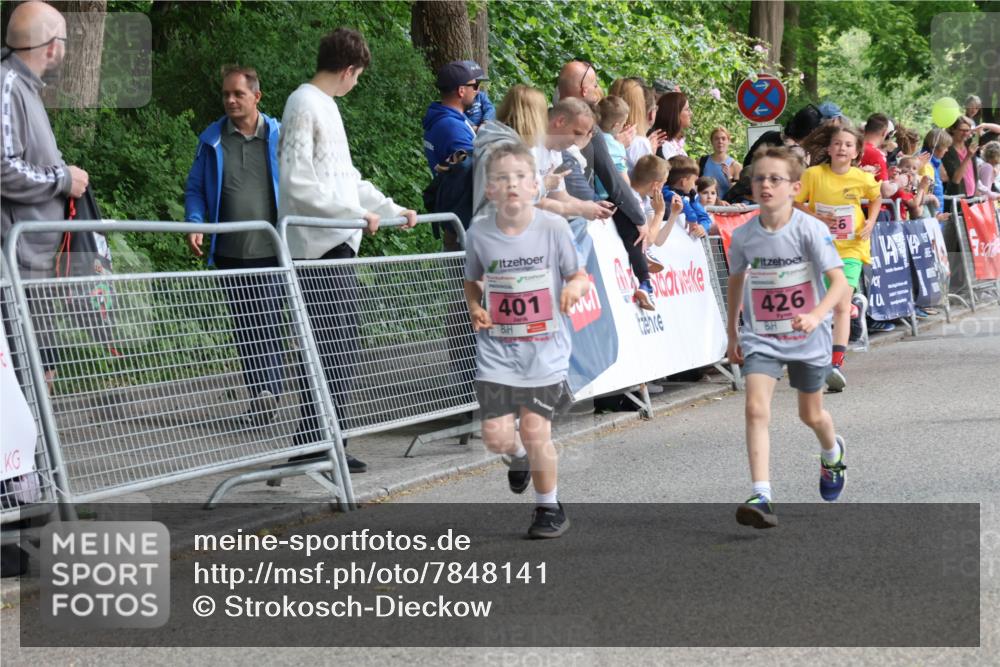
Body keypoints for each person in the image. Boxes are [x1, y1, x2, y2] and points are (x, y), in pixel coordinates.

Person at [279, 27, 417, 473]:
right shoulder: (303, 104)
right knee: (329, 346)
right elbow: (298, 183)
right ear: (348, 70)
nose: (357, 83)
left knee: (339, 345)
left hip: (336, 240)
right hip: (317, 246)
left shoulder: (327, 108)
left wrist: (390, 208)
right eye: (358, 75)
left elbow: (346, 178)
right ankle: (316, 443)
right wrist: (352, 215)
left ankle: (324, 440)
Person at [463, 142, 589, 539]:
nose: (512, 184)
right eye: (502, 178)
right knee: (497, 436)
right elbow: (473, 280)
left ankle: (549, 508)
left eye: (520, 177)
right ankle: (518, 459)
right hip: (498, 349)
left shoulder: (552, 227)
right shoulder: (479, 233)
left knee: (535, 430)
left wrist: (573, 291)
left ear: (535, 184)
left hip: (545, 347)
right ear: (490, 190)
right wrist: (475, 306)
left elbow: (578, 275)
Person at [726, 146, 849, 529]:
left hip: (806, 336)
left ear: (794, 188)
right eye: (759, 178)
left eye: (775, 179)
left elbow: (839, 282)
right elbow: (735, 281)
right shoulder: (744, 235)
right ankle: (761, 494)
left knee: (809, 414)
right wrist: (732, 330)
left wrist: (815, 315)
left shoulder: (810, 229)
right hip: (761, 335)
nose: (765, 185)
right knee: (755, 408)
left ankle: (832, 452)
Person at [184, 65, 283, 428]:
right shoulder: (212, 138)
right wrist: (196, 223)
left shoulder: (279, 136)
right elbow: (195, 188)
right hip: (229, 252)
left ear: (256, 96)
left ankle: (269, 391)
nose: (230, 100)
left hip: (273, 250)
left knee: (269, 323)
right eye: (226, 94)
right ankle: (260, 397)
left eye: (238, 94)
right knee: (245, 327)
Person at [1, 1, 88, 387]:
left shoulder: (27, 89)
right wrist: (62, 180)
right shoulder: (7, 85)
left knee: (43, 372)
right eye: (65, 41)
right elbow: (3, 167)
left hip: (37, 260)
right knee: (26, 379)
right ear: (52, 46)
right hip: (15, 262)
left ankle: (36, 448)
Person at [797, 124, 883, 390]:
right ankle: (818, 359)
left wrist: (871, 221)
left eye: (848, 145)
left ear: (856, 152)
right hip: (819, 248)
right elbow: (796, 202)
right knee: (821, 305)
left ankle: (835, 365)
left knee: (840, 303)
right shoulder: (813, 175)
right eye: (837, 144)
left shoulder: (862, 178)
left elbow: (876, 197)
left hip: (852, 249)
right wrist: (817, 216)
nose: (842, 148)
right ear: (828, 149)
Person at [630, 155, 684, 271]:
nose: (663, 187)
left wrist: (673, 214)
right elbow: (648, 240)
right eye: (663, 183)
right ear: (655, 185)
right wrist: (660, 212)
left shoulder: (646, 201)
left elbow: (657, 240)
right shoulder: (632, 198)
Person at [422, 60, 478, 172]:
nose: (477, 91)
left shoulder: (437, 117)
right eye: (475, 86)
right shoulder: (453, 127)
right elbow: (477, 173)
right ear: (461, 91)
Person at [662, 156, 711, 236]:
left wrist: (703, 227)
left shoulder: (692, 196)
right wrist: (692, 217)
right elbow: (680, 201)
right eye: (694, 181)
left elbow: (704, 217)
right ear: (684, 182)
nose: (695, 185)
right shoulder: (665, 191)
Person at [594, 95, 630, 198]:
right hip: (608, 196)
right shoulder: (617, 147)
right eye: (623, 124)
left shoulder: (590, 136)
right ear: (615, 125)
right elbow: (623, 179)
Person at [699, 126, 741, 201]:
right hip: (705, 207)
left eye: (723, 139)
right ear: (712, 142)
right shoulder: (701, 162)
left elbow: (738, 194)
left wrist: (729, 177)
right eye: (716, 138)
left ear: (728, 141)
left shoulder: (735, 166)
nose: (720, 141)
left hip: (726, 209)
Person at [943, 116, 980, 198]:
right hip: (958, 198)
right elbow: (956, 180)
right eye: (962, 130)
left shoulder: (970, 144)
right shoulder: (947, 150)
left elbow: (996, 132)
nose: (966, 133)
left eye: (968, 130)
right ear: (953, 129)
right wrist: (968, 156)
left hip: (973, 195)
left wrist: (984, 125)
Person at [651, 91, 691, 159]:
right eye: (687, 109)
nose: (690, 113)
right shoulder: (664, 146)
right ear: (675, 114)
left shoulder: (675, 143)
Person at [461, 60, 494, 132]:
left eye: (479, 85)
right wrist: (472, 126)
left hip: (483, 126)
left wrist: (486, 121)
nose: (478, 89)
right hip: (471, 128)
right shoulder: (462, 100)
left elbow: (490, 108)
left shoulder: (481, 96)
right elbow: (460, 114)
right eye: (475, 86)